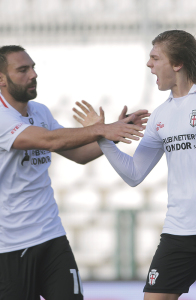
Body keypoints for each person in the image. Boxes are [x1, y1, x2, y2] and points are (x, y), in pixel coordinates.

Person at [74, 30, 196, 300]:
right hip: (179, 229)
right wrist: (102, 137)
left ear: (177, 63)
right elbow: (134, 174)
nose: (149, 65)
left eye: (154, 58)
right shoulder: (161, 115)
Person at [0, 45, 149, 300]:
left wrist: (115, 133)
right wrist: (102, 130)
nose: (33, 74)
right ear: (1, 79)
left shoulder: (40, 112)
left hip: (51, 236)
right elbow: (49, 141)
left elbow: (79, 154)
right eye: (22, 70)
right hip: (10, 246)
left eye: (33, 67)